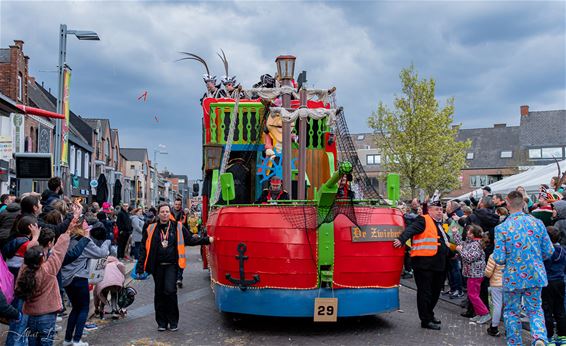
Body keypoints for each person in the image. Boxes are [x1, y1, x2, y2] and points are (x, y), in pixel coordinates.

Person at [135, 203, 210, 331]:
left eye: (167, 212)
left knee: (170, 291)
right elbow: (143, 248)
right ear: (158, 213)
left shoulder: (177, 227)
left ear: (170, 213)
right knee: (159, 294)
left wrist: (207, 240)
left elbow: (190, 240)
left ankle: (173, 321)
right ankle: (161, 323)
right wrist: (140, 267)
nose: (165, 214)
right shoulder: (150, 228)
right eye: (162, 212)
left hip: (172, 265)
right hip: (157, 266)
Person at [493, 190, 554, 346]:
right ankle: (539, 337)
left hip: (513, 278)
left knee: (512, 312)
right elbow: (549, 251)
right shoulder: (537, 224)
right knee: (534, 310)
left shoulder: (502, 228)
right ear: (523, 203)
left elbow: (499, 259)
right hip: (534, 275)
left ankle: (515, 343)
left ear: (507, 204)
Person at [393, 199, 450, 330]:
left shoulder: (440, 224)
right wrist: (401, 239)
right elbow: (410, 230)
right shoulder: (423, 220)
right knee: (425, 293)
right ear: (429, 210)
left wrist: (452, 253)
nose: (440, 212)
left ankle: (429, 314)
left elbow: (443, 241)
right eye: (437, 210)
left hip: (438, 264)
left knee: (435, 292)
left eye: (441, 210)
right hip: (424, 264)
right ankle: (425, 320)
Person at [14, 221, 71, 346]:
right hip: (47, 316)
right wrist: (70, 227)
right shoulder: (48, 269)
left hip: (30, 315)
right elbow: (59, 250)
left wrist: (34, 238)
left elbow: (29, 253)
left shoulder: (23, 270)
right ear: (42, 259)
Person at [60, 220, 111, 346]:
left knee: (75, 309)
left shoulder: (67, 238)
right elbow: (101, 253)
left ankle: (68, 339)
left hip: (66, 279)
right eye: (86, 225)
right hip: (78, 277)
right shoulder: (85, 241)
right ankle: (77, 340)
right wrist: (106, 242)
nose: (88, 227)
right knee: (84, 308)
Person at [455, 224, 491, 324]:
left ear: (474, 233)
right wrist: (455, 233)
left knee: (473, 295)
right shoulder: (471, 242)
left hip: (475, 273)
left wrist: (460, 251)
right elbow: (461, 244)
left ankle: (485, 313)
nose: (467, 233)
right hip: (472, 273)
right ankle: (479, 313)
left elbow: (469, 258)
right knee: (473, 294)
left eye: (470, 232)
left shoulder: (475, 244)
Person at [542, 226, 566, 341]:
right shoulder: (563, 250)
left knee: (547, 309)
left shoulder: (546, 251)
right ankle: (562, 335)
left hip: (547, 282)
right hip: (560, 281)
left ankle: (549, 336)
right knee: (560, 308)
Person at [93, 254, 125, 320]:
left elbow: (96, 296)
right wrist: (122, 284)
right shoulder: (117, 263)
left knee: (104, 295)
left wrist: (96, 308)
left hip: (103, 284)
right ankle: (114, 310)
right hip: (115, 283)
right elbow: (122, 270)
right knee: (114, 294)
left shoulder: (101, 265)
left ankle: (101, 311)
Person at [484, 252, 505, 337]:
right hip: (508, 283)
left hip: (496, 283)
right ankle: (509, 329)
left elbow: (488, 273)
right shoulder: (511, 253)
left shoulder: (494, 255)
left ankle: (494, 328)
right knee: (508, 307)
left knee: (497, 305)